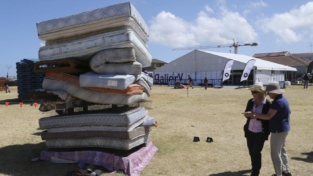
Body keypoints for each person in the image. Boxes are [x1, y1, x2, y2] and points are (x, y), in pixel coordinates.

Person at [243, 82, 292, 176]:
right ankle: (286, 171)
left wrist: (253, 115)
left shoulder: (275, 103)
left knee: (275, 153)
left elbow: (268, 116)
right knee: (281, 150)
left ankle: (278, 174)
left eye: (254, 92)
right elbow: (289, 111)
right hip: (280, 129)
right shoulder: (282, 100)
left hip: (275, 130)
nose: (268, 94)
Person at [243, 82, 271, 176]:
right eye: (251, 91)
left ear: (260, 92)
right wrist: (248, 115)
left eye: (254, 92)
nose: (252, 94)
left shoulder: (267, 104)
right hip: (250, 130)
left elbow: (268, 118)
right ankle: (254, 167)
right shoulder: (250, 102)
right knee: (251, 151)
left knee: (256, 152)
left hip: (260, 132)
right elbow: (248, 114)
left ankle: (255, 172)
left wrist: (254, 115)